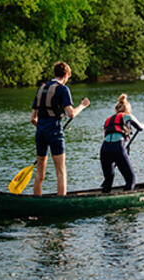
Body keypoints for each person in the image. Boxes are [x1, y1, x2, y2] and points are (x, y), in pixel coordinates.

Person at [30, 62, 90, 196]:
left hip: (40, 132)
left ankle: (37, 202)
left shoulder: (41, 88)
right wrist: (83, 106)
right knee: (61, 172)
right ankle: (61, 202)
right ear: (65, 75)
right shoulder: (63, 89)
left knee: (40, 173)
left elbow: (33, 118)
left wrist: (42, 127)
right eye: (68, 77)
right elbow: (71, 114)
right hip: (55, 132)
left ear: (54, 74)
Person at [100, 94, 144, 193]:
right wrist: (142, 125)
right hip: (118, 148)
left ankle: (104, 199)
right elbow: (140, 128)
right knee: (131, 179)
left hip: (104, 149)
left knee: (108, 179)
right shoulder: (127, 116)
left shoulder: (108, 119)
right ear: (127, 109)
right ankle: (128, 200)